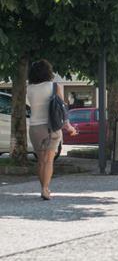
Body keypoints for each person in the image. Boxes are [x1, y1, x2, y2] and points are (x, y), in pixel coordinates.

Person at [27, 59, 77, 200]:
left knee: (41, 161)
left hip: (35, 128)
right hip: (51, 127)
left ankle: (43, 188)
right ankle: (45, 189)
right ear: (48, 72)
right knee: (49, 160)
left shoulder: (29, 89)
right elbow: (61, 110)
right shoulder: (55, 87)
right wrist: (68, 126)